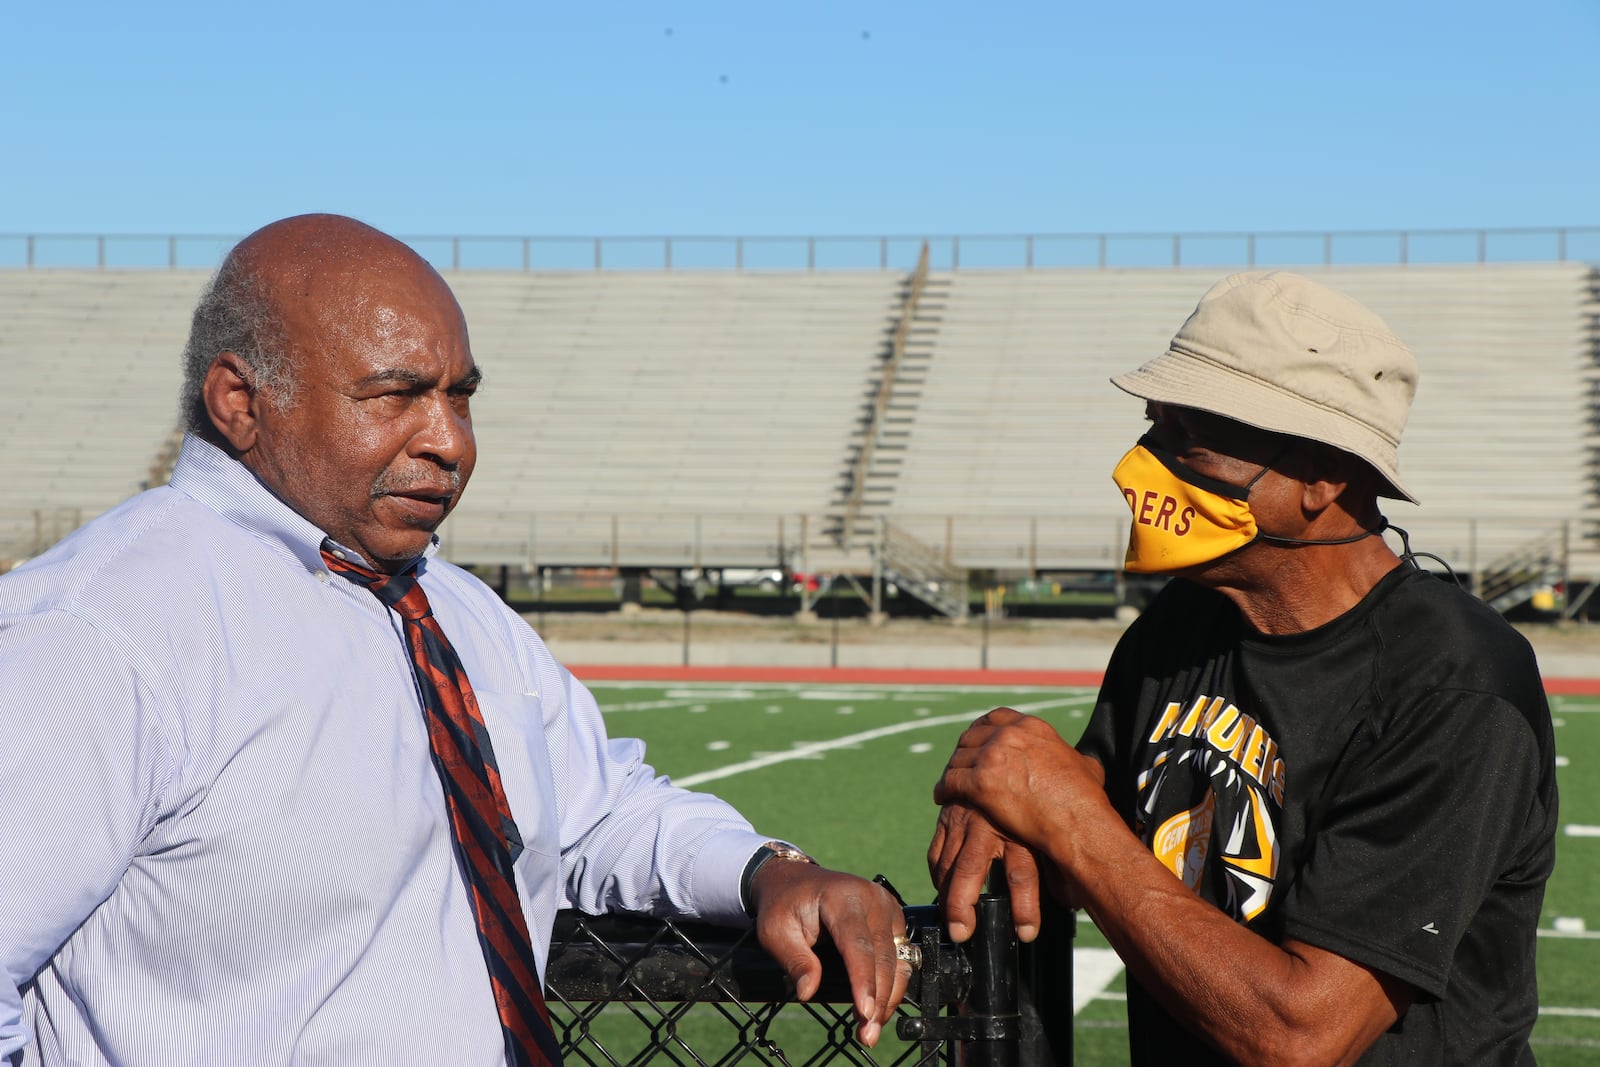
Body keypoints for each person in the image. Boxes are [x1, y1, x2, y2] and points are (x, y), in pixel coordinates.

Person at [0, 214, 912, 1066]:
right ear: (241, 401)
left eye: (459, 397)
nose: (449, 441)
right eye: (395, 396)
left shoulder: (457, 611)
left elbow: (597, 807)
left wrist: (765, 871)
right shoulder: (98, 631)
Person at [929, 270, 1559, 1065]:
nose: (1143, 464)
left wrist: (1062, 816)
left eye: (1187, 435)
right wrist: (1005, 803)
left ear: (1322, 477)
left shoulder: (1456, 685)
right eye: (1153, 425)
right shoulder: (1181, 625)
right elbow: (1076, 797)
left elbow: (1301, 1034)